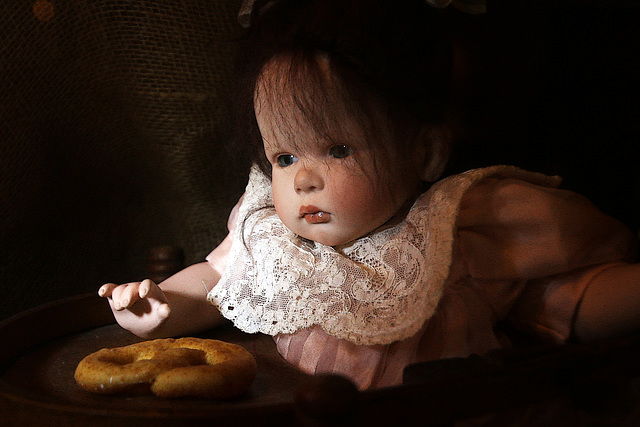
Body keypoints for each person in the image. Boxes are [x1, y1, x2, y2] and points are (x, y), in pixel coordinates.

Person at [99, 0, 640, 390]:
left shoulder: (456, 232)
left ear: (424, 153)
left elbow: (563, 304)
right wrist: (162, 308)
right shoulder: (271, 231)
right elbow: (218, 278)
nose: (302, 181)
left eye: (337, 150)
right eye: (284, 158)